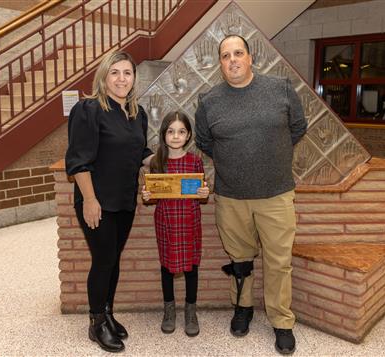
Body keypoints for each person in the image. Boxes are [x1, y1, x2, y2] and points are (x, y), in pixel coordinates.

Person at [194, 34, 307, 355]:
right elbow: (204, 141)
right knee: (240, 260)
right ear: (220, 63)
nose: (232, 60)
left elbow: (298, 127)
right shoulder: (209, 100)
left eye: (238, 53)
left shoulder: (281, 89)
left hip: (276, 195)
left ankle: (282, 321)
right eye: (225, 55)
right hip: (231, 197)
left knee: (278, 262)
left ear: (250, 57)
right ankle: (242, 309)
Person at [65, 50, 153, 353]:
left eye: (127, 73)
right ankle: (96, 322)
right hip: (97, 201)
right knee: (103, 261)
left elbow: (141, 152)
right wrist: (89, 200)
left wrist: (164, 165)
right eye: (114, 72)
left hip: (124, 200)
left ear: (133, 78)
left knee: (113, 260)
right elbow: (78, 160)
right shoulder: (87, 110)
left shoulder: (136, 113)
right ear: (104, 76)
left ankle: (108, 314)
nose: (121, 79)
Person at [141, 111, 209, 337]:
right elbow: (154, 196)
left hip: (189, 220)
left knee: (191, 267)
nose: (176, 136)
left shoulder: (195, 161)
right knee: (166, 267)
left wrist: (203, 193)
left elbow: (200, 194)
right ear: (164, 135)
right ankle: (169, 310)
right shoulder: (158, 162)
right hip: (166, 221)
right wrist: (148, 196)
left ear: (188, 135)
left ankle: (191, 311)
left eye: (181, 132)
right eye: (171, 131)